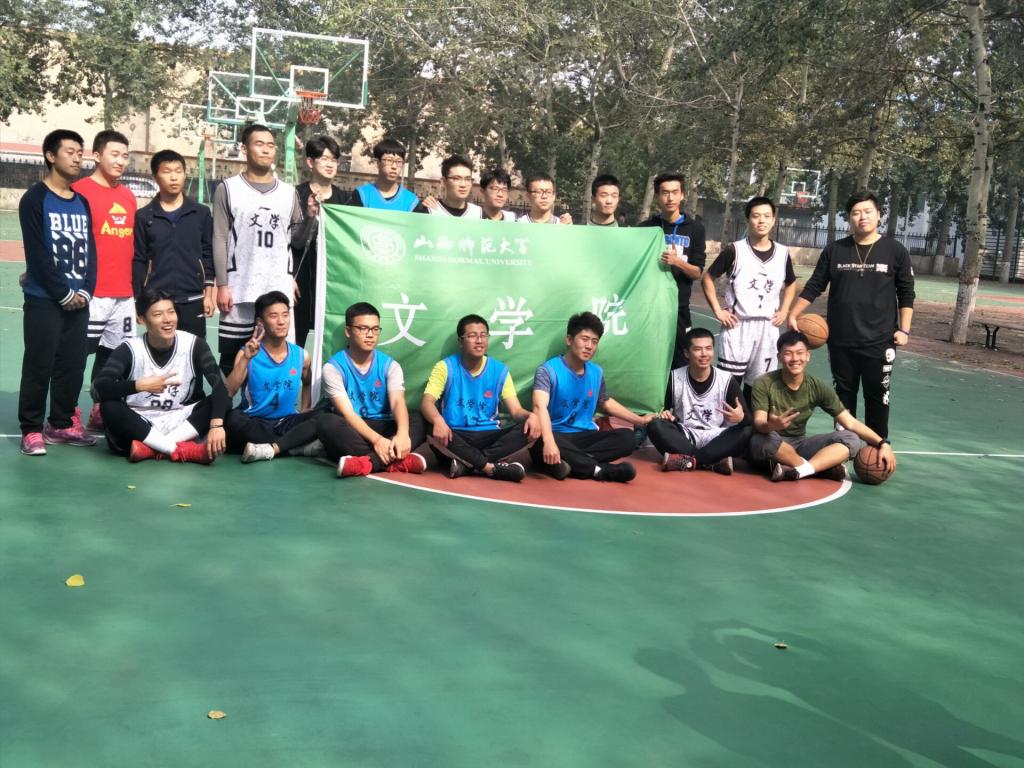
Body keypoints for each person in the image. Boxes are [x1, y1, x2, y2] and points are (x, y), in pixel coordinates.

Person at [788, 191, 915, 438]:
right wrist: (794, 313)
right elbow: (815, 285)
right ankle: (844, 447)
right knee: (843, 398)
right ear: (849, 218)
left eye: (867, 212)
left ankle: (878, 447)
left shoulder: (895, 251)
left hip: (880, 340)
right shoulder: (835, 250)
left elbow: (906, 293)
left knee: (878, 397)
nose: (862, 217)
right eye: (856, 213)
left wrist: (904, 330)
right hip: (841, 340)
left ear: (878, 215)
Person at [18, 129, 98, 455]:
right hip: (45, 299)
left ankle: (61, 423)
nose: (78, 158)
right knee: (39, 364)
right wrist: (63, 293)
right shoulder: (34, 199)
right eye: (70, 152)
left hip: (79, 300)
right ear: (51, 156)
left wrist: (87, 290)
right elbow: (37, 254)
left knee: (73, 365)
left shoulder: (82, 202)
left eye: (80, 152)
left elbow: (90, 251)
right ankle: (31, 429)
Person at [92, 288, 229, 464]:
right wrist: (139, 385)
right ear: (141, 319)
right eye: (158, 314)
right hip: (139, 422)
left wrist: (217, 425)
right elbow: (99, 387)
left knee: (221, 400)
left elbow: (219, 386)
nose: (167, 319)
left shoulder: (194, 344)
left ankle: (152, 448)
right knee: (109, 407)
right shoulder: (129, 349)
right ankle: (179, 449)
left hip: (180, 419)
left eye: (171, 312)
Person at [213, 123, 303, 375]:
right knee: (232, 363)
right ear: (244, 149)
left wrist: (290, 276)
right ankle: (225, 402)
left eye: (271, 145)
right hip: (239, 289)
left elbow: (293, 239)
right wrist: (222, 285)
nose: (266, 150)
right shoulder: (228, 189)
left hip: (276, 289)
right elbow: (219, 238)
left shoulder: (289, 193)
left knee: (276, 362)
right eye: (259, 144)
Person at [749, 330, 896, 482]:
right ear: (779, 357)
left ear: (808, 356)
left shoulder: (816, 386)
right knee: (760, 441)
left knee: (851, 438)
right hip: (773, 440)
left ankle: (800, 470)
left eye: (800, 353)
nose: (795, 358)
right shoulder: (764, 382)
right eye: (788, 353)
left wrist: (882, 443)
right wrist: (771, 425)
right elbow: (759, 423)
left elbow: (850, 422)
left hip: (800, 444)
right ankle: (814, 469)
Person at [531, 312, 656, 482]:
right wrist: (549, 442)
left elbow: (606, 402)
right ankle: (599, 470)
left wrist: (640, 421)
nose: (589, 346)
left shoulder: (596, 372)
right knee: (539, 442)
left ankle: (570, 463)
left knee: (627, 438)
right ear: (569, 340)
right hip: (556, 434)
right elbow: (539, 407)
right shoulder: (548, 370)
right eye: (584, 339)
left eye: (594, 341)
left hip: (585, 436)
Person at [420, 314, 540, 481]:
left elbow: (516, 411)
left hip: (489, 436)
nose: (479, 341)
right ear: (461, 341)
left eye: (483, 335)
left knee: (529, 428)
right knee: (429, 426)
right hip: (455, 434)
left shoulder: (500, 370)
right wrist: (438, 420)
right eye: (472, 336)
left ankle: (468, 465)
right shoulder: (445, 367)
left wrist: (530, 416)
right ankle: (490, 467)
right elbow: (426, 402)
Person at [72, 130, 138, 433]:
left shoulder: (127, 196)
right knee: (76, 355)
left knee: (112, 358)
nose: (121, 161)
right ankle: (67, 410)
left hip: (123, 295)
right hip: (91, 293)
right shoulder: (79, 191)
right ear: (97, 156)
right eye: (115, 154)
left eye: (125, 156)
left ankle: (99, 408)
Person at [314, 302, 427, 477]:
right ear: (348, 331)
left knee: (417, 419)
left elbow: (397, 402)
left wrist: (403, 434)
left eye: (375, 329)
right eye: (363, 328)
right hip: (355, 427)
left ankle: (367, 463)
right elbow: (348, 414)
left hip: (384, 424)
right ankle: (396, 461)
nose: (370, 335)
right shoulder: (333, 368)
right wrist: (378, 441)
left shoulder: (390, 366)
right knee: (326, 422)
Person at [701, 196, 796, 400]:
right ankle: (729, 421)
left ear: (773, 220)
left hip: (768, 328)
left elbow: (791, 283)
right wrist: (718, 310)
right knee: (730, 389)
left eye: (767, 216)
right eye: (756, 216)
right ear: (747, 220)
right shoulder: (735, 250)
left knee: (759, 389)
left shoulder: (782, 253)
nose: (761, 220)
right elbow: (708, 278)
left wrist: (785, 310)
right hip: (738, 326)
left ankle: (753, 422)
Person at [223, 291, 318, 462]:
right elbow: (229, 391)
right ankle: (291, 446)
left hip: (287, 422)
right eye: (274, 316)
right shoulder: (247, 353)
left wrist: (305, 407)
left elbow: (307, 382)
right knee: (232, 419)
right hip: (254, 422)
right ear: (260, 322)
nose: (281, 321)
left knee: (324, 415)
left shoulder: (301, 355)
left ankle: (271, 447)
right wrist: (245, 359)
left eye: (285, 315)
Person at [133, 149, 214, 340]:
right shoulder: (144, 216)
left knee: (194, 352)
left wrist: (209, 295)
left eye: (178, 171)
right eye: (167, 171)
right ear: (155, 176)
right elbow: (139, 259)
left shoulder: (200, 213)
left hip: (193, 299)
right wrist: (139, 300)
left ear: (185, 174)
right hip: (158, 301)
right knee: (160, 351)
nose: (173, 177)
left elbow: (208, 254)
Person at [647, 327, 752, 474]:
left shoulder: (726, 380)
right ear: (686, 353)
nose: (704, 354)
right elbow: (661, 411)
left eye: (708, 348)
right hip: (685, 435)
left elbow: (748, 420)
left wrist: (741, 418)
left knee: (747, 431)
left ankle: (690, 461)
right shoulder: (674, 378)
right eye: (697, 349)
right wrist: (665, 415)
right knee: (655, 425)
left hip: (717, 437)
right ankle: (711, 463)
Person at [637, 173, 707, 368]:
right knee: (649, 362)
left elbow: (697, 273)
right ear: (657, 197)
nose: (670, 198)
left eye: (675, 192)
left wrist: (677, 262)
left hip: (679, 309)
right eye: (665, 193)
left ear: (682, 195)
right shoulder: (645, 228)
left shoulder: (695, 229)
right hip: (649, 308)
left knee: (681, 363)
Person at [292, 136, 347, 349]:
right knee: (294, 345)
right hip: (300, 284)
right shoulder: (295, 195)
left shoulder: (346, 200)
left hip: (333, 286)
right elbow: (293, 242)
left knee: (332, 345)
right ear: (310, 162)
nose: (330, 164)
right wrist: (310, 216)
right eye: (324, 159)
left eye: (334, 159)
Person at [347, 137, 420, 211]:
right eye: (389, 160)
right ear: (377, 163)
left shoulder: (411, 202)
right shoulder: (362, 195)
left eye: (398, 162)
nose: (394, 166)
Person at [417, 155, 483, 218]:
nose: (463, 184)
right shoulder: (429, 210)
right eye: (456, 179)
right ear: (443, 182)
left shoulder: (479, 214)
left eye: (467, 179)